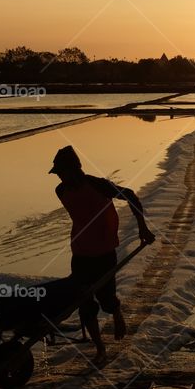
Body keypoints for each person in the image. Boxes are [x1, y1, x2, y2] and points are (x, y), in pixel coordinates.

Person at [49, 145, 155, 366]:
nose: (58, 176)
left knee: (106, 298)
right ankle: (100, 349)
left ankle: (116, 312)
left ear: (74, 169)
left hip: (104, 253)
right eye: (57, 173)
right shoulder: (61, 191)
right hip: (79, 253)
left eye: (61, 171)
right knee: (84, 302)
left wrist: (142, 228)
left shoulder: (99, 185)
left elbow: (131, 196)